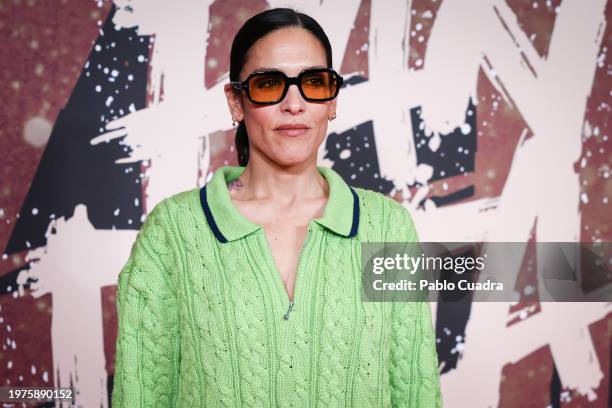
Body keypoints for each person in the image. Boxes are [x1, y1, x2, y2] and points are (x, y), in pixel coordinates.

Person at [111, 7, 442, 407]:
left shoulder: (388, 227)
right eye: (269, 84)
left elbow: (413, 391)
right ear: (236, 102)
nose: (294, 103)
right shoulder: (174, 231)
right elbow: (142, 396)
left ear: (331, 100)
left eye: (313, 83)